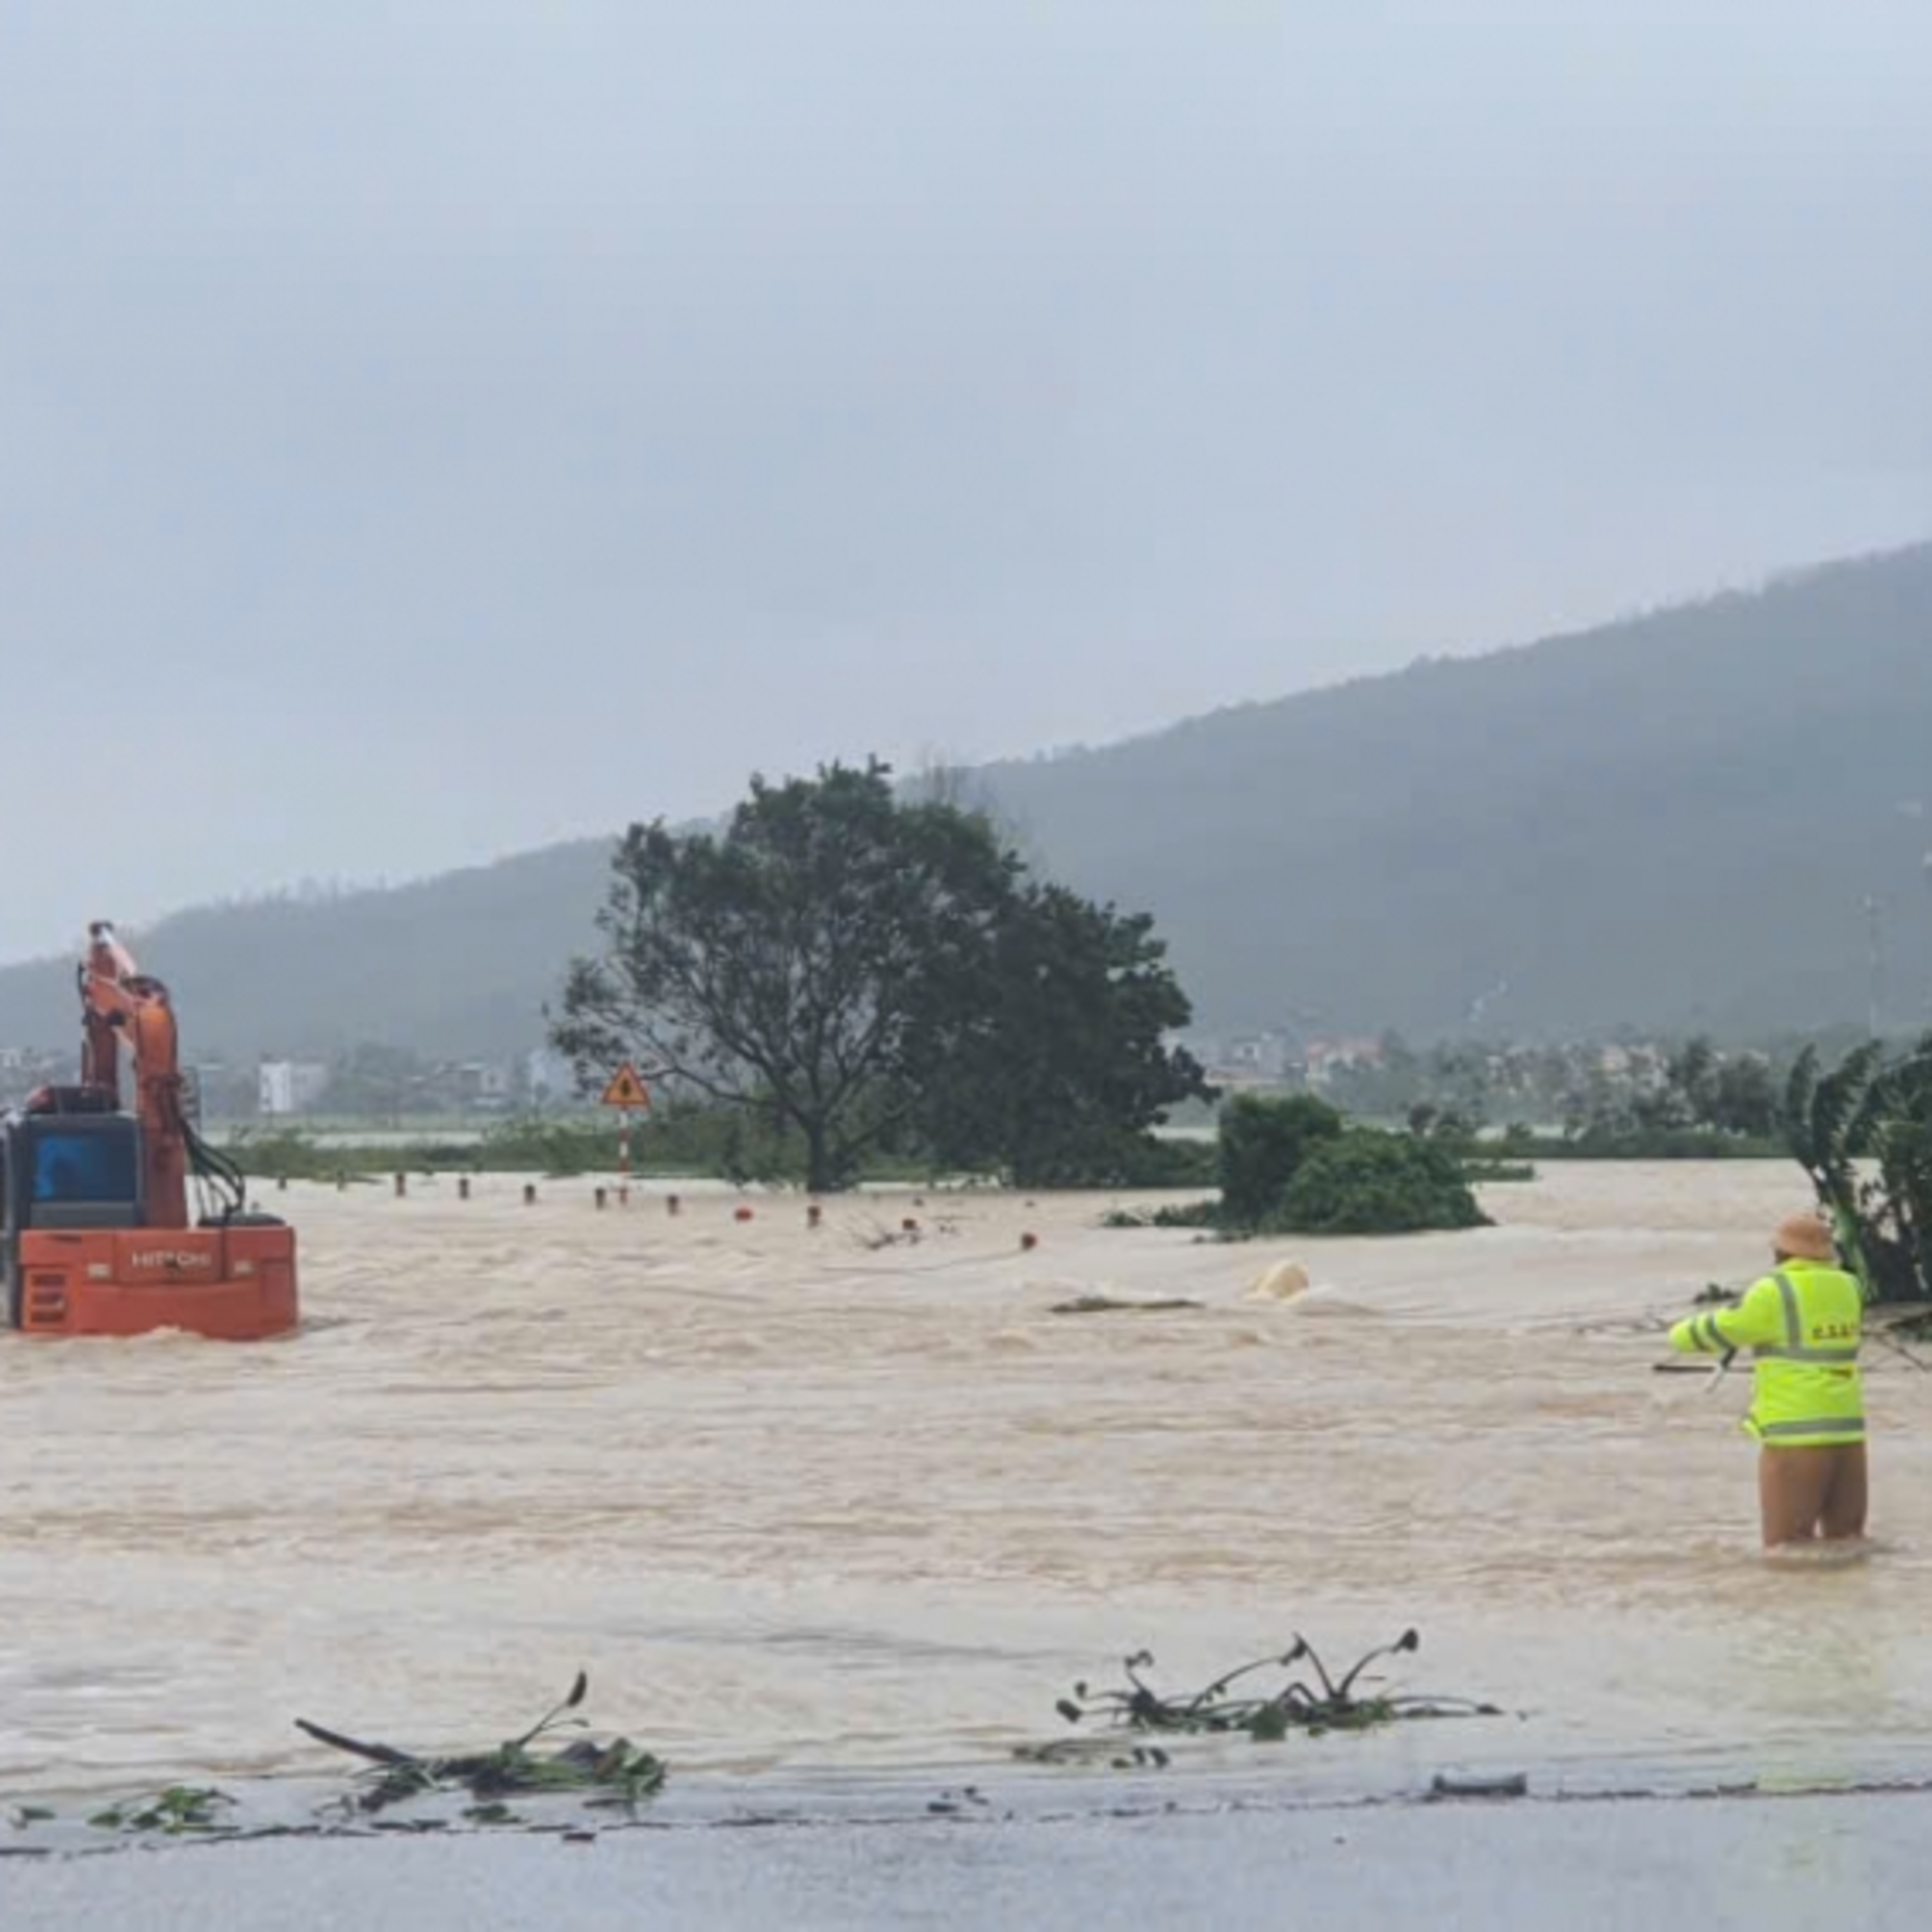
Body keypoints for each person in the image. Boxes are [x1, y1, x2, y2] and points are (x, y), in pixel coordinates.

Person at [1669, 1211, 1866, 1549]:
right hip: (1848, 1434)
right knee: (1847, 1544)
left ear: (1779, 1252)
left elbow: (1703, 1335)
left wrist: (1682, 1330)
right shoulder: (1851, 1286)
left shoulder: (1773, 1290)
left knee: (1785, 1552)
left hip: (1794, 1434)